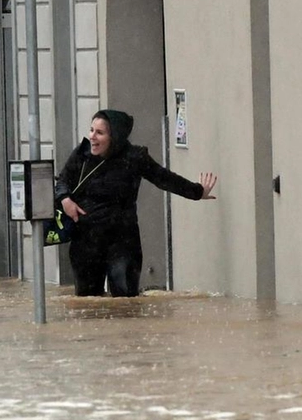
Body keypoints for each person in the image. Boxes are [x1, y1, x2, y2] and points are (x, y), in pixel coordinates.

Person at [55, 109, 218, 297]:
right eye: (91, 130)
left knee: (125, 301)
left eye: (99, 133)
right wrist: (65, 200)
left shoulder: (134, 157)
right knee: (88, 302)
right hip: (86, 240)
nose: (92, 137)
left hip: (122, 240)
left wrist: (197, 192)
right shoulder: (82, 155)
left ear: (114, 136)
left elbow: (164, 178)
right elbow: (62, 180)